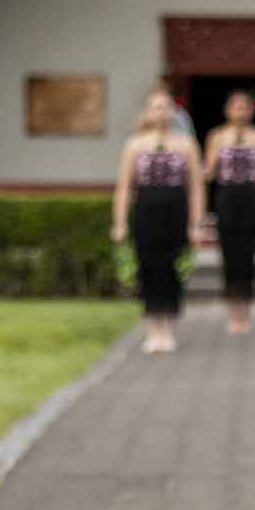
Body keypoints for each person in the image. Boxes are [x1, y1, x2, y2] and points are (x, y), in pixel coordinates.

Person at [111, 85, 205, 354]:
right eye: (155, 107)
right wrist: (119, 222)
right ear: (147, 112)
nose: (160, 112)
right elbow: (124, 187)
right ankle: (152, 329)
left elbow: (196, 187)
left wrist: (196, 224)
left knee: (170, 268)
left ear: (173, 112)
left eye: (165, 107)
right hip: (146, 212)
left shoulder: (186, 144)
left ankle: (168, 328)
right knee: (148, 268)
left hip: (175, 212)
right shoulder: (134, 144)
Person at [202, 90, 255, 336]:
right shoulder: (217, 136)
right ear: (227, 110)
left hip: (250, 197)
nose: (240, 111)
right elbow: (209, 170)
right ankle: (232, 311)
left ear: (252, 110)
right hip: (226, 197)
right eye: (236, 107)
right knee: (229, 254)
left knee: (248, 253)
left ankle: (246, 309)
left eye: (245, 107)